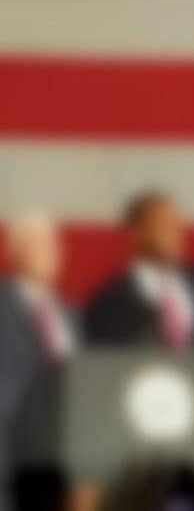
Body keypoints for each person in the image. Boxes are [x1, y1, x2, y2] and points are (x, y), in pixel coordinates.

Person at [0, 212, 76, 511]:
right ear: (14, 250)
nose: (50, 252)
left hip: (68, 467)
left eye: (53, 245)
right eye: (39, 244)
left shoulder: (71, 314)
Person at [85, 191, 194, 349]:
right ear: (137, 232)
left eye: (176, 222)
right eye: (163, 223)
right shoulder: (107, 302)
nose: (175, 231)